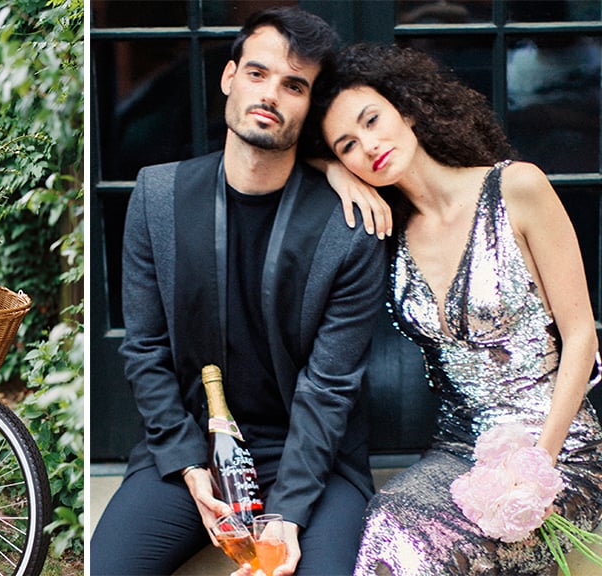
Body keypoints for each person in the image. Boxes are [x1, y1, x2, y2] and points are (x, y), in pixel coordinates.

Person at [89, 8, 386, 576]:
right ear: (229, 77)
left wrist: (288, 513)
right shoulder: (157, 196)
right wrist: (187, 466)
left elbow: (329, 389)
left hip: (311, 463)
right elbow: (145, 350)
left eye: (294, 85)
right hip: (191, 449)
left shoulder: (350, 230)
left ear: (311, 106)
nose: (271, 94)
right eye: (258, 73)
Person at [309, 42, 602, 574]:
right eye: (348, 144)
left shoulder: (517, 187)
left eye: (373, 120)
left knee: (424, 550)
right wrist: (332, 169)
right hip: (457, 450)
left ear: (408, 108)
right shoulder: (387, 231)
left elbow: (581, 335)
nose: (369, 146)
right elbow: (291, 159)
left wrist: (537, 463)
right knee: (386, 520)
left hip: (560, 448)